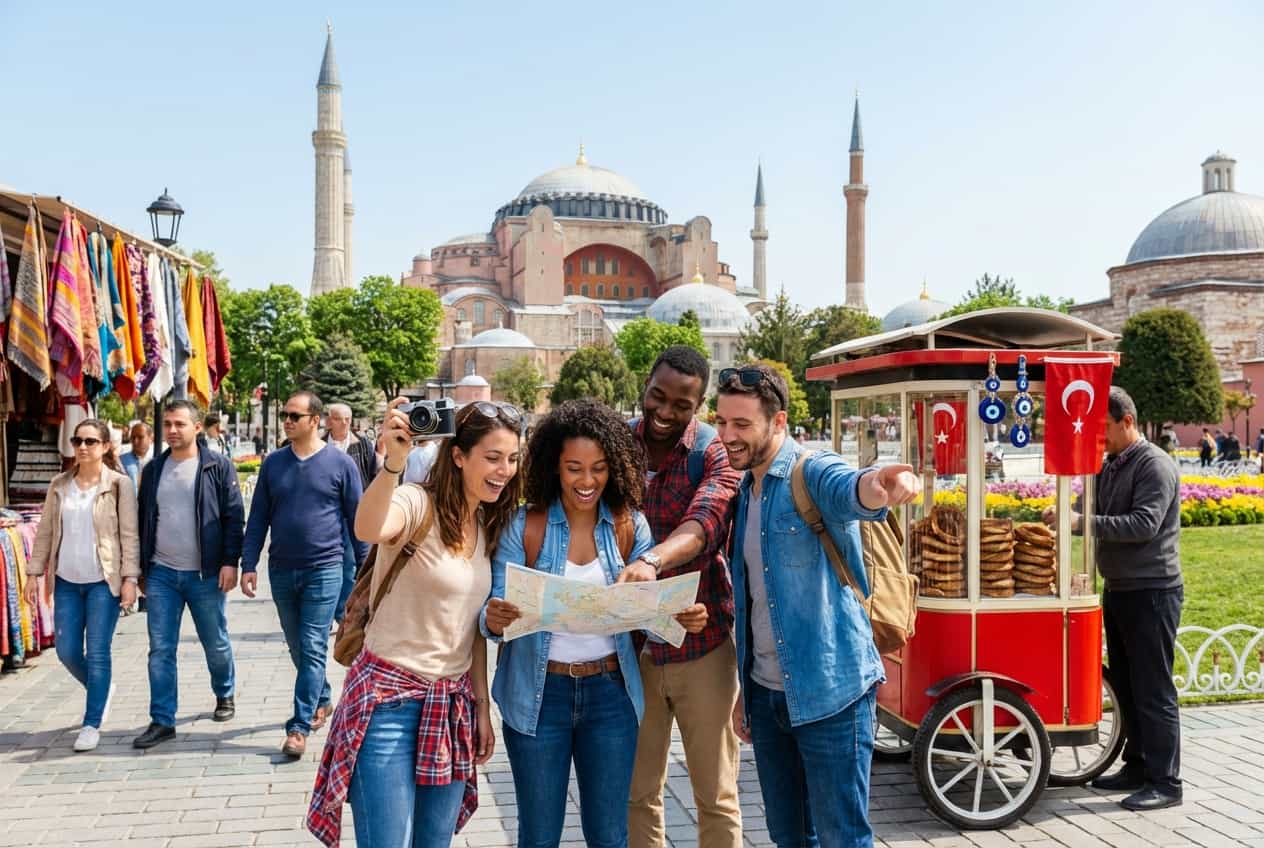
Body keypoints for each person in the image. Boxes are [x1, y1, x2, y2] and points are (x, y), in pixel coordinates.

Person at [481, 399, 707, 848]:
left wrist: (682, 617)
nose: (587, 481)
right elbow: (492, 613)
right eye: (574, 469)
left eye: (599, 468)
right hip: (537, 695)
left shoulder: (629, 527)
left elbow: (646, 613)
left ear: (616, 467)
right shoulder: (523, 525)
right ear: (553, 466)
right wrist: (494, 617)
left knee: (608, 835)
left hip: (610, 697)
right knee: (539, 835)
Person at [714, 364, 918, 848]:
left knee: (841, 837)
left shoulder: (811, 472)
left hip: (833, 694)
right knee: (788, 837)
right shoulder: (746, 492)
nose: (727, 436)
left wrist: (879, 485)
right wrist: (747, 691)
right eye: (722, 422)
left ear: (778, 422)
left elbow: (853, 488)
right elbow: (754, 604)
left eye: (742, 425)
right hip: (767, 696)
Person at [307, 399, 522, 847]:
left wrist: (482, 707)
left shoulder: (488, 523)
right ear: (459, 456)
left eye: (512, 459)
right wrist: (392, 464)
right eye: (493, 457)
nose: (504, 470)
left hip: (450, 707)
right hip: (387, 703)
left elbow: (472, 629)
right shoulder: (414, 502)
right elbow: (368, 528)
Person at [1040, 387, 1182, 811]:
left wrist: (1083, 519)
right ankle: (1136, 766)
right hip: (1120, 588)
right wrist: (1063, 512)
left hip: (1153, 590)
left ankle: (1166, 782)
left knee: (1153, 689)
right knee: (1126, 685)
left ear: (1128, 422)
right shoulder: (1111, 465)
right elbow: (1089, 510)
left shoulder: (1154, 464)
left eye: (1103, 428)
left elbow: (1143, 524)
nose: (1097, 437)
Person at [625, 347, 744, 848]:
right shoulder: (617, 444)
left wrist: (652, 560)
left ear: (699, 406)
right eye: (658, 396)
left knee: (715, 796)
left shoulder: (710, 450)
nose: (666, 411)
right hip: (632, 649)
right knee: (636, 793)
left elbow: (706, 521)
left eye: (682, 404)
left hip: (703, 644)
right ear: (646, 384)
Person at [241, 391, 368, 757]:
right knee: (298, 646)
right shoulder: (273, 464)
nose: (287, 420)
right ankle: (322, 697)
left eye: (295, 415)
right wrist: (249, 563)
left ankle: (298, 727)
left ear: (316, 421)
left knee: (312, 644)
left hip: (325, 569)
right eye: (285, 414)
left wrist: (365, 570)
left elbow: (356, 521)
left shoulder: (340, 465)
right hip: (281, 569)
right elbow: (259, 518)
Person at [132, 400, 246, 749]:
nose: (172, 430)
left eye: (180, 423)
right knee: (160, 649)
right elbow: (142, 520)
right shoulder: (153, 470)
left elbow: (233, 516)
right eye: (167, 424)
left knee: (216, 642)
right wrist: (141, 569)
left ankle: (224, 693)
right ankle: (162, 720)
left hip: (205, 575)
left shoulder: (217, 467)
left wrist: (231, 562)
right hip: (162, 574)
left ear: (197, 427)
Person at [25, 419, 140, 752]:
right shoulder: (59, 484)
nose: (83, 447)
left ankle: (92, 723)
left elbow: (129, 535)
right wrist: (34, 573)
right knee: (67, 651)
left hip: (103, 582)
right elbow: (46, 532)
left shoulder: (119, 484)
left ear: (105, 447)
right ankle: (101, 688)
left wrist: (130, 579)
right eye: (78, 441)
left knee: (98, 651)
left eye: (91, 441)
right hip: (66, 580)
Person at [324, 403, 379, 624]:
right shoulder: (319, 444)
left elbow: (371, 473)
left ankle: (339, 612)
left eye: (348, 418)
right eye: (339, 418)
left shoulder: (362, 445)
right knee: (330, 565)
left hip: (354, 514)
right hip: (327, 513)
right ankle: (331, 613)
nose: (345, 422)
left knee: (349, 566)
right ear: (328, 421)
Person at [121, 422, 154, 489]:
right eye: (133, 437)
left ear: (151, 438)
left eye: (140, 437)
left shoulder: (157, 461)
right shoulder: (121, 461)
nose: (135, 441)